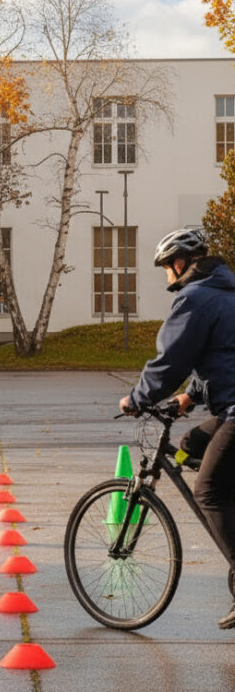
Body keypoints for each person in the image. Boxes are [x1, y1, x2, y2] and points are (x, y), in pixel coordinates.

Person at [119, 228, 235, 628]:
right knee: (189, 442)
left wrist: (137, 398)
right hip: (227, 406)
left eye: (167, 269)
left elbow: (171, 360)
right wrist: (191, 396)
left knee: (208, 490)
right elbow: (221, 355)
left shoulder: (195, 299)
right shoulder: (225, 294)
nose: (167, 278)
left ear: (180, 264)